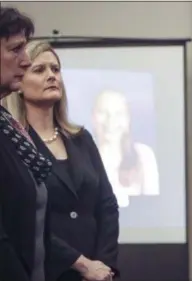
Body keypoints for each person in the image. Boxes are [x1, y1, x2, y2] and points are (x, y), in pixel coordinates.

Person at [2, 39, 120, 281]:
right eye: (39, 70)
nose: (51, 76)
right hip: (46, 271)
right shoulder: (15, 142)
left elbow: (107, 204)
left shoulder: (81, 138)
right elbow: (22, 219)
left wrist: (102, 265)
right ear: (20, 83)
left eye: (55, 69)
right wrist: (80, 263)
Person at [91, 90, 159, 207]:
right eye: (103, 112)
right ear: (93, 117)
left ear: (128, 120)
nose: (111, 121)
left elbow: (152, 207)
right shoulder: (80, 157)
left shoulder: (143, 155)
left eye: (118, 114)